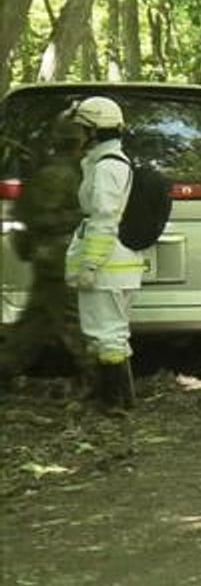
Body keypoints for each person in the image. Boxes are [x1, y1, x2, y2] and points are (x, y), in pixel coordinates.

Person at [63, 97, 147, 410]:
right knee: (113, 333)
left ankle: (112, 402)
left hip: (107, 266)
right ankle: (121, 399)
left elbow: (104, 218)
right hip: (115, 264)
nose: (77, 135)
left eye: (82, 128)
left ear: (95, 131)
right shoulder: (106, 163)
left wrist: (90, 264)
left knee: (105, 334)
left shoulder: (107, 167)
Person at [2, 118, 87, 381]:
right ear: (78, 142)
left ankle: (5, 367)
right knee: (73, 321)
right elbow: (42, 217)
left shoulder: (55, 171)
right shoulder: (61, 173)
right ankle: (105, 384)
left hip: (50, 255)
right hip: (58, 256)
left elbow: (26, 212)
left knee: (35, 322)